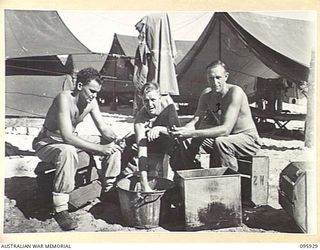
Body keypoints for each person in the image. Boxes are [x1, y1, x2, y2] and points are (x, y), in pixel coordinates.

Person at [32, 67, 122, 231]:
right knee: (68, 151)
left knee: (112, 146)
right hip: (48, 141)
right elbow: (67, 136)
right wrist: (100, 149)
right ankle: (60, 209)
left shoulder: (92, 102)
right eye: (92, 91)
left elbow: (103, 128)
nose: (94, 95)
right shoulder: (64, 98)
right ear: (80, 86)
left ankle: (108, 189)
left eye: (97, 92)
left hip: (70, 139)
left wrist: (114, 139)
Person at [170, 60, 262, 171]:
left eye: (218, 78)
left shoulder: (235, 92)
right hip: (225, 138)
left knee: (221, 142)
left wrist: (193, 133)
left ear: (226, 76)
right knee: (186, 140)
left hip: (247, 139)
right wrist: (183, 130)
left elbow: (225, 130)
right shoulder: (207, 95)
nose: (214, 82)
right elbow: (195, 121)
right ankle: (191, 176)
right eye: (211, 78)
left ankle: (228, 181)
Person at [122, 82, 180, 191]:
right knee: (127, 144)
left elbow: (177, 133)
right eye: (146, 101)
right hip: (150, 143)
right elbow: (142, 151)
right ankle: (129, 177)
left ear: (159, 97)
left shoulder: (168, 106)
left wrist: (160, 129)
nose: (150, 104)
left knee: (179, 146)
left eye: (153, 100)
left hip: (168, 140)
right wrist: (144, 184)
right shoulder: (140, 120)